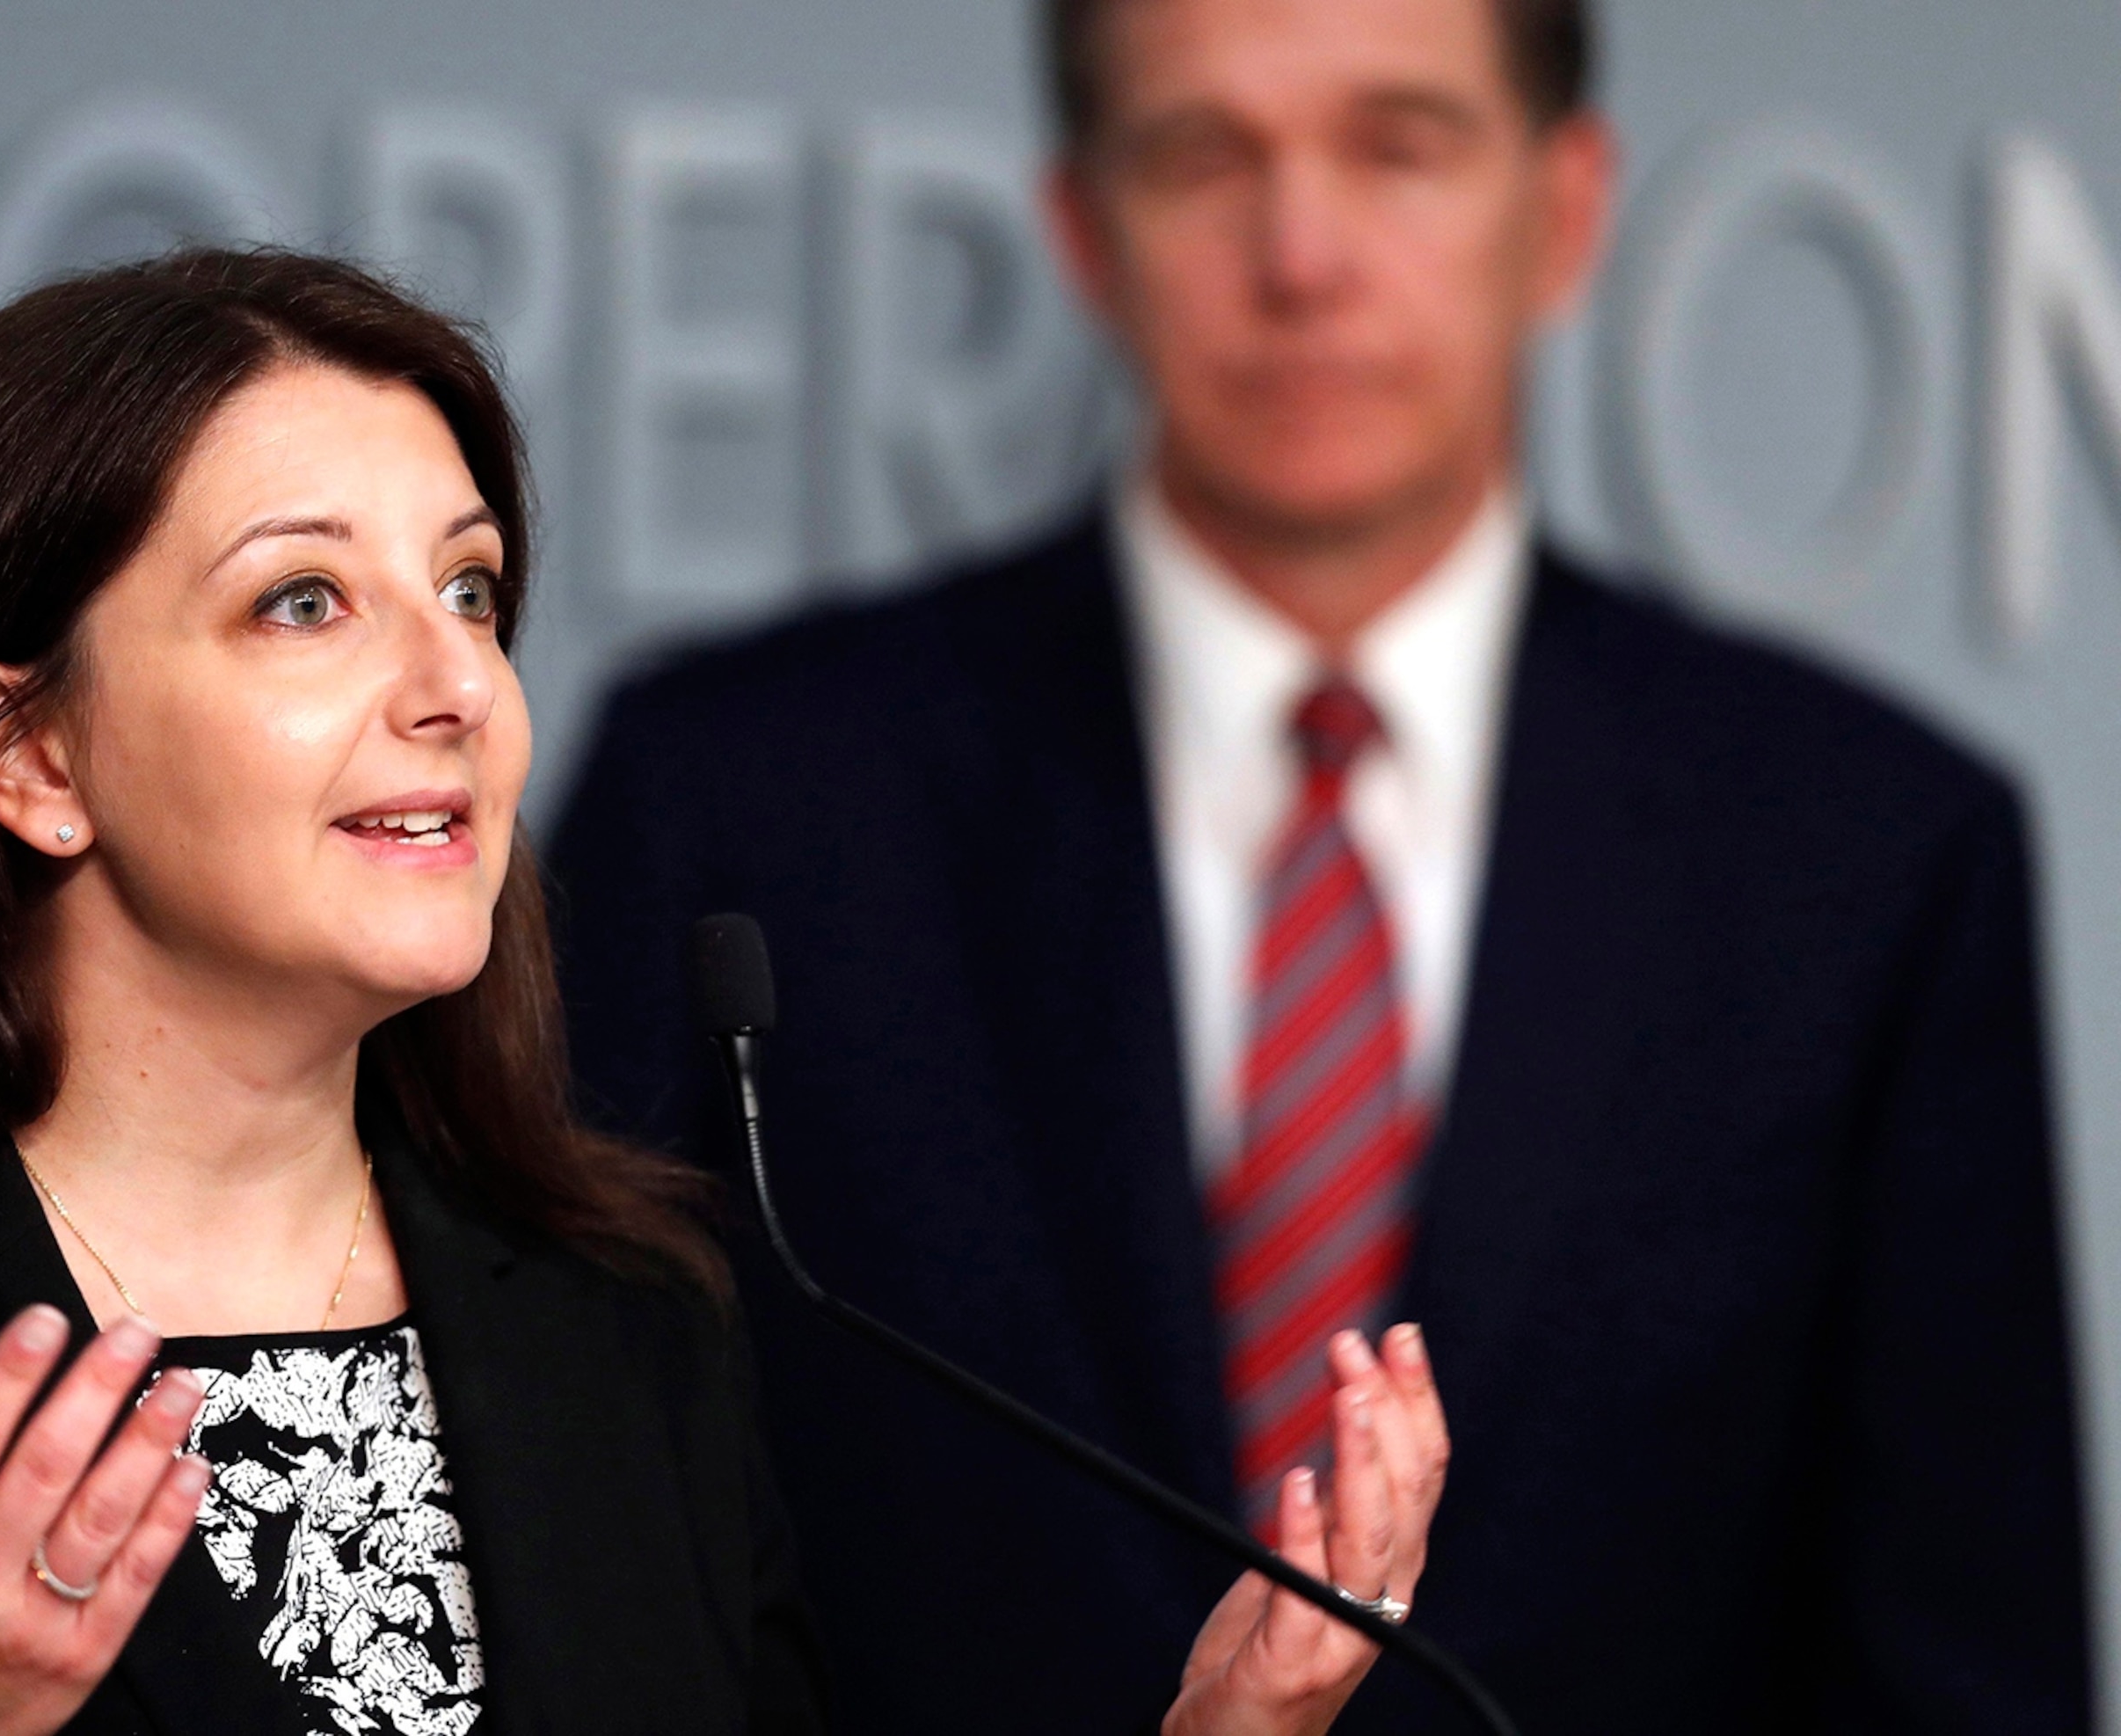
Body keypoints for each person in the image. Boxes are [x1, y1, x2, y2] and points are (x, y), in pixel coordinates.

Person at [0, 249, 1447, 1736]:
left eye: (470, 591)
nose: (453, 684)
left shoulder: (629, 1320)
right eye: (306, 600)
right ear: (26, 756)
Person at [550, 0, 2092, 1732]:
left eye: (1398, 147)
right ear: (1082, 231)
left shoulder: (1872, 854)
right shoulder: (737, 803)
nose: (1301, 256)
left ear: (1565, 210)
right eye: (1204, 156)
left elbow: (1972, 1676)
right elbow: (583, 1580)